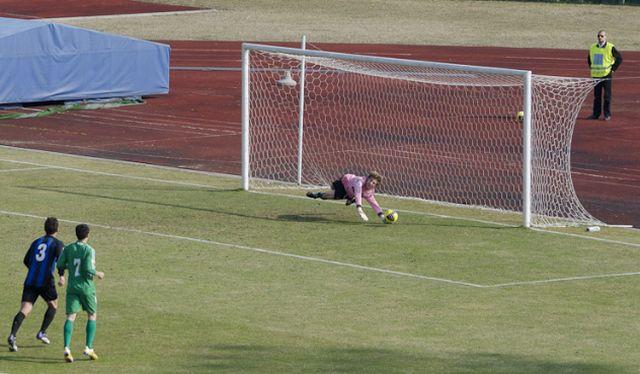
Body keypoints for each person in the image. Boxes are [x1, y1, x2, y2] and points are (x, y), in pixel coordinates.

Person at [7, 217, 65, 352]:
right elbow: (60, 261)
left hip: (30, 280)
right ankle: (42, 332)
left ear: (45, 228)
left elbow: (26, 260)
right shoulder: (57, 243)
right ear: (57, 229)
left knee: (25, 309)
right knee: (53, 305)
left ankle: (12, 335)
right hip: (46, 281)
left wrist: (35, 269)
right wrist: (61, 276)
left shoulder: (36, 242)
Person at [56, 223, 105, 363]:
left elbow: (59, 265)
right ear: (88, 235)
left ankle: (66, 347)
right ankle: (88, 347)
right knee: (92, 315)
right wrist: (98, 273)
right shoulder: (89, 250)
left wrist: (67, 268)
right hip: (87, 288)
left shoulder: (68, 248)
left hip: (72, 287)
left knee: (71, 317)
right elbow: (88, 269)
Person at [306, 171, 387, 222]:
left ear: (375, 186)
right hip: (344, 183)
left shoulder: (370, 192)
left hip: (350, 192)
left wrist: (382, 216)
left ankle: (350, 198)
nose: (371, 183)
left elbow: (373, 203)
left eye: (373, 183)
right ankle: (317, 194)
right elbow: (358, 193)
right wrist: (359, 208)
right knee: (326, 196)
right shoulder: (359, 181)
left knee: (361, 195)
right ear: (367, 179)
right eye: (370, 180)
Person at [587, 30, 622, 121]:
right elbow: (589, 59)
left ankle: (607, 114)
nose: (600, 37)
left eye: (602, 36)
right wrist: (592, 67)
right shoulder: (592, 47)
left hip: (606, 75)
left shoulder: (610, 47)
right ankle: (596, 114)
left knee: (607, 96)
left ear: (605, 37)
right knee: (597, 96)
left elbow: (619, 58)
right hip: (596, 76)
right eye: (599, 36)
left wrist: (613, 69)